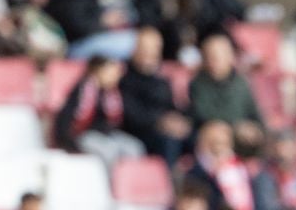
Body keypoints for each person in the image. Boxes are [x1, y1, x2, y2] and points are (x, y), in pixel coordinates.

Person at [55, 55, 144, 168]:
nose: (115, 76)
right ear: (97, 71)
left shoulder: (113, 93)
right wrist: (68, 142)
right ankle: (111, 184)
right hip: (83, 135)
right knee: (110, 151)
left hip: (107, 135)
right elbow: (65, 120)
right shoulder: (81, 92)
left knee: (134, 147)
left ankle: (130, 182)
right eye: (110, 71)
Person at [119, 27, 192, 164]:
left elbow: (171, 107)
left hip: (165, 129)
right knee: (169, 142)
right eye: (145, 48)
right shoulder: (125, 80)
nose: (150, 53)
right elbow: (132, 116)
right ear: (135, 50)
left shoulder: (161, 79)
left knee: (195, 137)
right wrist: (160, 122)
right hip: (142, 133)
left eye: (154, 48)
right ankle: (168, 184)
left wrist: (180, 121)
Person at [189, 32, 264, 157]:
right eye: (209, 56)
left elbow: (255, 113)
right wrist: (236, 127)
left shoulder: (241, 83)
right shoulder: (198, 83)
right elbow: (204, 114)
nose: (213, 60)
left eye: (217, 56)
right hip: (212, 135)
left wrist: (255, 129)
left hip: (240, 135)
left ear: (230, 56)